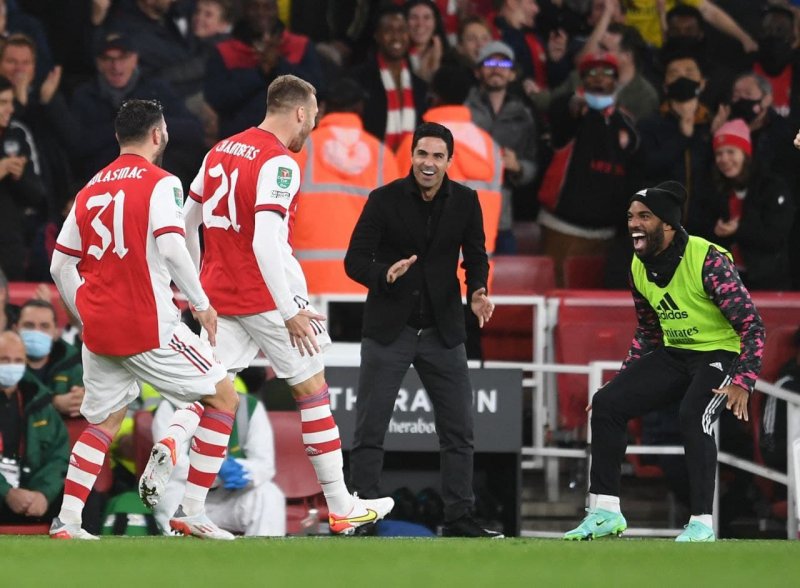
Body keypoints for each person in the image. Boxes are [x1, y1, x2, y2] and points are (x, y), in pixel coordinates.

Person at [183, 74, 394, 535]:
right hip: (265, 297)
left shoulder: (219, 150)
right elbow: (265, 241)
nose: (312, 127)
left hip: (220, 296)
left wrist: (197, 292)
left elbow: (186, 221)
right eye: (313, 117)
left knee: (215, 396)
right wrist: (288, 310)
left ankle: (191, 506)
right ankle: (340, 505)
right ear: (299, 112)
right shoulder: (280, 162)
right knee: (312, 392)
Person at [48, 99, 240, 540]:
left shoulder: (90, 189)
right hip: (148, 326)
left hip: (100, 331)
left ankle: (68, 520)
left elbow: (60, 265)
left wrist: (87, 313)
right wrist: (201, 303)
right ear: (158, 135)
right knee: (224, 398)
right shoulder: (162, 182)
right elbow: (172, 246)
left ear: (119, 137)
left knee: (105, 422)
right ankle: (192, 511)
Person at [563, 180, 765, 543]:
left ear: (668, 224)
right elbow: (648, 331)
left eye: (644, 216)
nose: (633, 224)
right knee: (607, 403)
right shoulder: (637, 266)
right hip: (676, 352)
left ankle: (702, 523)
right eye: (630, 216)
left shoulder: (707, 260)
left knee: (693, 415)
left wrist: (743, 381)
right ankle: (605, 511)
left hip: (720, 353)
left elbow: (752, 326)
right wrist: (621, 381)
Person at [344, 121, 502, 538]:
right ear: (412, 156)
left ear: (449, 161)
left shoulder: (466, 201)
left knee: (459, 431)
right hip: (388, 329)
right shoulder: (383, 199)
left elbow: (476, 257)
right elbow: (354, 261)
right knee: (370, 428)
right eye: (422, 154)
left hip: (443, 331)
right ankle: (363, 514)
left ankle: (460, 517)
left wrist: (479, 290)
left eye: (437, 156)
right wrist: (384, 274)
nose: (428, 163)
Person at [290, 77, 400, 295]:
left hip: (306, 281)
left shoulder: (300, 149)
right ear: (360, 108)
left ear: (323, 108)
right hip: (364, 281)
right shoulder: (382, 156)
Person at [151, 389, 286, 537]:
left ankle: (264, 550)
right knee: (170, 492)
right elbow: (169, 460)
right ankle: (179, 549)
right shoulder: (172, 404)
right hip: (184, 492)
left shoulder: (249, 406)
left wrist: (244, 471)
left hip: (229, 497)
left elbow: (265, 464)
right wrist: (213, 470)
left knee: (269, 494)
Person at [687, 119, 795, 291]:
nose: (724, 159)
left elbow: (776, 236)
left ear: (745, 154)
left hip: (768, 283)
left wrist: (740, 229)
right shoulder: (712, 189)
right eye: (719, 154)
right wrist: (715, 230)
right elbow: (696, 230)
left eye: (731, 152)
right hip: (726, 283)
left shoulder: (771, 187)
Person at [465, 41, 538, 254]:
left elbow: (533, 163)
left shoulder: (523, 114)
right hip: (463, 216)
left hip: (502, 218)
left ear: (512, 74)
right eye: (489, 63)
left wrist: (519, 168)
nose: (496, 69)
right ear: (477, 71)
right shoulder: (464, 108)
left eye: (503, 64)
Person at [0, 330, 69, 525]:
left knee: (80, 495)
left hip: (30, 492)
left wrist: (43, 493)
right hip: (4, 491)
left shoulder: (39, 400)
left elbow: (59, 456)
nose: (11, 366)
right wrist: (6, 492)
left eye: (17, 360)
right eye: (4, 360)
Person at [14, 299, 84, 418]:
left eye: (44, 326)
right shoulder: (4, 364)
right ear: (16, 329)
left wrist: (81, 401)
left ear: (56, 333)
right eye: (29, 325)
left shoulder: (71, 362)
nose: (36, 332)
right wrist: (54, 402)